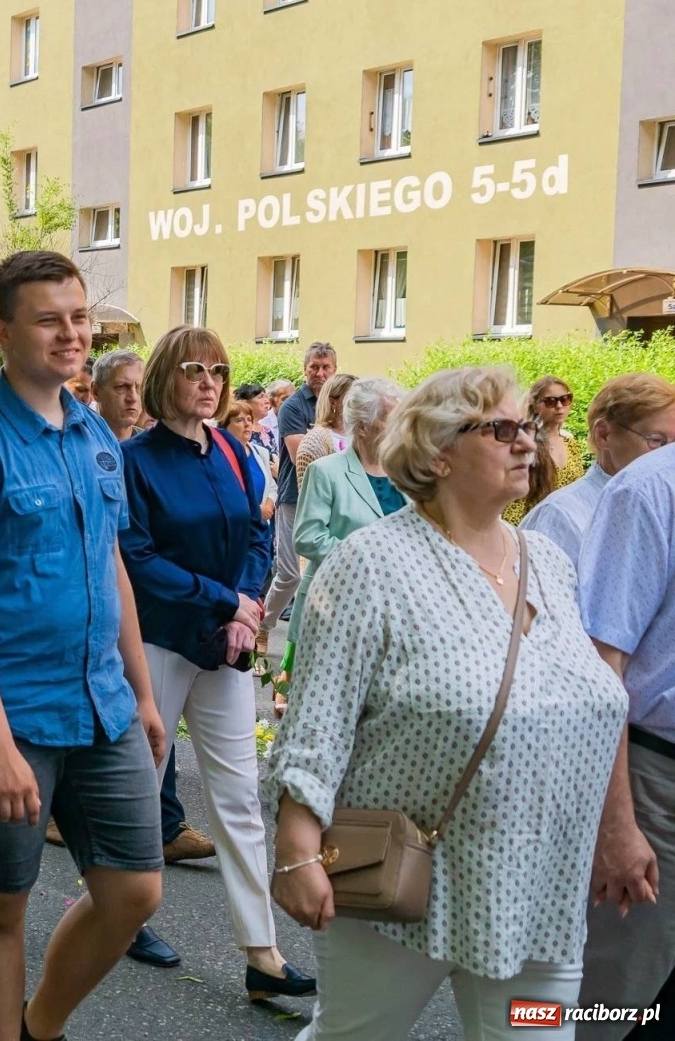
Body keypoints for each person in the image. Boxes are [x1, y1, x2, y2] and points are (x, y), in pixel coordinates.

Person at [266, 365, 635, 1038]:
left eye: (528, 425)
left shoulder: (549, 561)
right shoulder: (369, 565)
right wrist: (295, 851)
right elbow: (316, 725)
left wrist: (618, 829)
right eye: (502, 428)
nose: (528, 441)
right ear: (437, 452)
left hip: (541, 888)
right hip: (407, 881)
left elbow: (593, 709)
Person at [0, 251, 167, 1041]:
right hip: (4, 709)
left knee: (135, 890)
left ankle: (40, 1025)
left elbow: (112, 566)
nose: (71, 334)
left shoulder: (95, 432)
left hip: (100, 698)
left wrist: (146, 695)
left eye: (80, 317)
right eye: (50, 319)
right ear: (4, 331)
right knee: (1, 902)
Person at [117, 326, 311, 1000]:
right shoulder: (133, 460)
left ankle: (263, 954)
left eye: (219, 371)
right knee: (140, 788)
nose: (209, 382)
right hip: (159, 643)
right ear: (166, 375)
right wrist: (225, 600)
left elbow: (259, 530)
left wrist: (249, 606)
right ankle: (122, 915)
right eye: (195, 369)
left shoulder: (231, 447)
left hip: (225, 642)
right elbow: (135, 559)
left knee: (237, 797)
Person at [94, 348, 217, 890]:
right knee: (136, 729)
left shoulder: (162, 450)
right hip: (116, 611)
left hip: (161, 615)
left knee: (154, 729)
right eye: (119, 387)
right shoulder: (101, 448)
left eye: (136, 386)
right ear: (97, 393)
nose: (130, 396)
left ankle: (162, 825)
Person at [574, 439, 675, 1040]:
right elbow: (599, 663)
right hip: (657, 783)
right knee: (616, 1008)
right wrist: (615, 824)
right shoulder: (648, 490)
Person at [288, 378, 403, 652]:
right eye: (391, 419)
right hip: (337, 607)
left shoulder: (405, 475)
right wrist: (366, 559)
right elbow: (307, 538)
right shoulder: (326, 472)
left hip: (394, 609)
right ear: (362, 426)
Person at [522, 373, 675, 566]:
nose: (668, 456)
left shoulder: (664, 504)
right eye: (657, 441)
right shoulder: (561, 517)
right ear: (604, 435)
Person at [261, 345, 335, 639]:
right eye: (314, 366)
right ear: (305, 369)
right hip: (295, 497)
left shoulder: (342, 405)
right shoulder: (293, 406)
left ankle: (309, 640)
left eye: (326, 367)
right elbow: (302, 457)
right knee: (290, 574)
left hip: (333, 500)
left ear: (334, 369)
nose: (319, 372)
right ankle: (263, 626)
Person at [504, 375, 589, 524]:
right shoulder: (527, 446)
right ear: (535, 405)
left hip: (570, 525)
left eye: (565, 399)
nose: (559, 406)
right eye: (550, 401)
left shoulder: (571, 443)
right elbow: (516, 504)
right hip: (537, 528)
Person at [294, 373, 357, 492]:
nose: (360, 403)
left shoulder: (361, 435)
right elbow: (309, 494)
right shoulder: (315, 440)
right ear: (333, 402)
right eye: (353, 398)